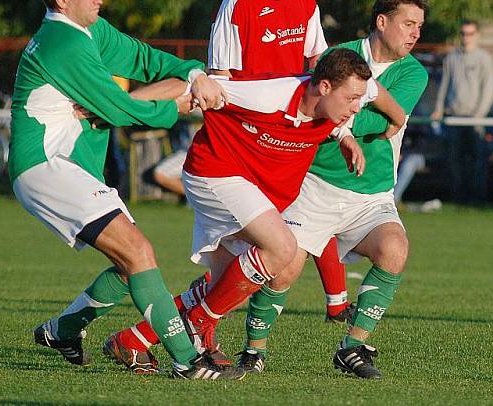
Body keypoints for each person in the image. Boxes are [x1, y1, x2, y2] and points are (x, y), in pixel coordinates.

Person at [104, 48, 406, 375]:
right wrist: (115, 106)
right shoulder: (266, 95)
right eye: (352, 99)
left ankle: (133, 339)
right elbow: (190, 85)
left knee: (224, 287)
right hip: (215, 173)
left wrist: (377, 126)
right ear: (324, 87)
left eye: (360, 99)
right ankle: (197, 323)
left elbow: (376, 93)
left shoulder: (340, 100)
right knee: (281, 248)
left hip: (250, 185)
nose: (357, 106)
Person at [10, 0, 238, 380]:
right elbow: (118, 109)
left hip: (65, 167)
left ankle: (63, 330)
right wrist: (180, 107)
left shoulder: (88, 31)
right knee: (139, 253)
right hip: (44, 166)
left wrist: (192, 75)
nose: (100, 0)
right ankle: (189, 361)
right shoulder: (64, 43)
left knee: (126, 263)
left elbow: (143, 58)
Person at [236, 0, 428, 380]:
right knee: (283, 270)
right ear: (381, 22)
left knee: (394, 250)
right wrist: (342, 121)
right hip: (316, 184)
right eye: (408, 24)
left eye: (419, 27)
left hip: (372, 193)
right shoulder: (338, 57)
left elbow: (385, 122)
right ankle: (253, 351)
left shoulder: (413, 72)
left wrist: (340, 117)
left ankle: (352, 346)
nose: (414, 34)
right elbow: (316, 111)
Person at [206, 0, 350, 323]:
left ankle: (334, 301)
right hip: (251, 135)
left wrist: (338, 127)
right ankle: (197, 314)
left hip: (293, 131)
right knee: (246, 246)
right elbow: (219, 76)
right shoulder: (239, 2)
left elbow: (320, 62)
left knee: (309, 218)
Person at [430, 19, 493, 203]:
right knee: (454, 159)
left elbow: (488, 89)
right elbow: (444, 86)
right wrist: (439, 109)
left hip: (475, 119)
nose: (466, 38)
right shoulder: (452, 58)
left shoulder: (484, 58)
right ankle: (457, 196)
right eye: (463, 34)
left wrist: (479, 114)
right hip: (455, 117)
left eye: (470, 34)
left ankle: (476, 197)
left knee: (477, 160)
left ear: (477, 35)